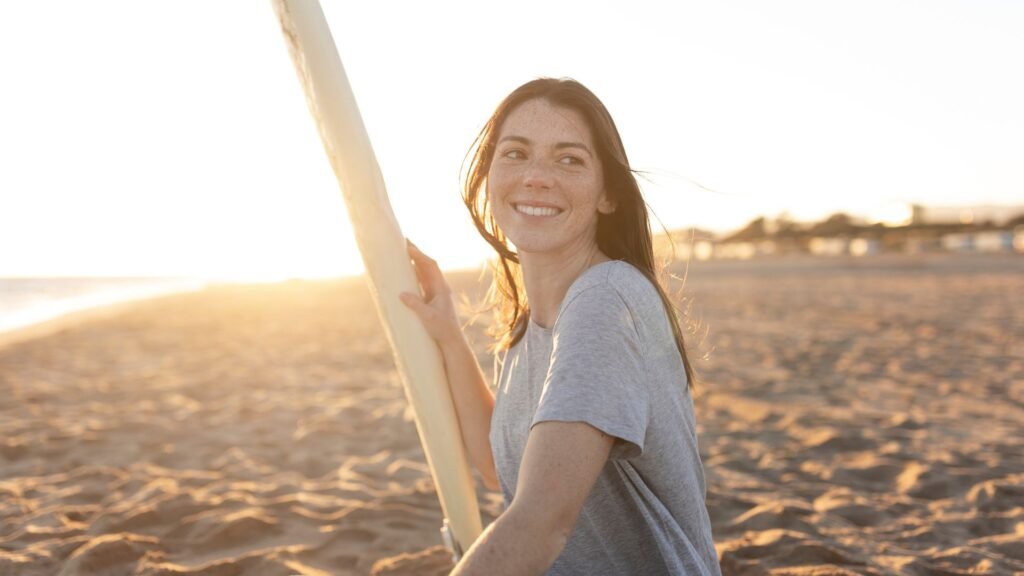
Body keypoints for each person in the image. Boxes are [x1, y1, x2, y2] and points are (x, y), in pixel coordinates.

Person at [399, 77, 720, 575]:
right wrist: (449, 335)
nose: (536, 177)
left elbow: (542, 521)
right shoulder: (532, 328)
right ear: (489, 177)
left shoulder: (605, 299)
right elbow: (495, 465)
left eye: (569, 159)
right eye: (515, 154)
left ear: (607, 195)